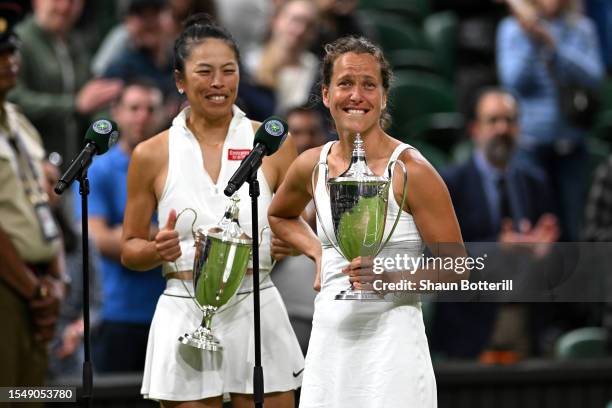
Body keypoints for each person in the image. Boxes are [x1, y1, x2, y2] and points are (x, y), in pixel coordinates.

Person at [268, 36, 465, 408]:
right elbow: (279, 215)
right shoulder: (312, 164)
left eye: (368, 85)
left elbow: (457, 267)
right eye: (345, 83)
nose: (356, 95)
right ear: (326, 94)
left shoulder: (412, 170)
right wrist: (316, 252)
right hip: (330, 345)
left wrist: (391, 279)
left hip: (393, 351)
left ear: (384, 97)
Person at [121, 14, 304, 407]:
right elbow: (129, 249)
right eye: (205, 72)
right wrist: (156, 250)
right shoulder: (150, 154)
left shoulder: (272, 142)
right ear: (180, 80)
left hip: (257, 305)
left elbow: (299, 223)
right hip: (183, 306)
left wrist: (289, 239)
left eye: (229, 71)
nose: (219, 83)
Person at [432, 88, 559, 359]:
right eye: (493, 120)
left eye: (510, 120)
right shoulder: (451, 184)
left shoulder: (534, 182)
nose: (503, 128)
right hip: (469, 327)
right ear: (475, 129)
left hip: (525, 324)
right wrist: (497, 248)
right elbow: (437, 257)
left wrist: (545, 250)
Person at [0, 2, 68, 391]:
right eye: (0, 55)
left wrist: (56, 280)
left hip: (38, 288)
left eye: (12, 52)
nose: (9, 61)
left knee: (32, 395)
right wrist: (34, 290)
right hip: (10, 288)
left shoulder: (20, 121)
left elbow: (45, 207)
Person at [77, 79, 166, 373]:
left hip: (168, 310)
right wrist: (158, 235)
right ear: (117, 112)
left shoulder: (173, 164)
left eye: (150, 108)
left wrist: (128, 236)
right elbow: (97, 239)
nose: (142, 116)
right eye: (134, 108)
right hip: (118, 312)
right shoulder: (100, 168)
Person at [496, 0, 604, 240]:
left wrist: (553, 46)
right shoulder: (511, 29)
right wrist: (533, 40)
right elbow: (512, 80)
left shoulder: (581, 27)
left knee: (574, 227)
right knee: (533, 227)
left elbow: (594, 76)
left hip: (571, 143)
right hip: (530, 144)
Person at [8, 0, 123, 168]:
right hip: (30, 164)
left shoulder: (77, 42)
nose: (64, 7)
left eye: (73, 2)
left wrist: (105, 129)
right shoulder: (17, 41)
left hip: (77, 167)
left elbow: (93, 100)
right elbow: (13, 99)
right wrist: (74, 105)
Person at [244, 0, 319, 116]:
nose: (301, 30)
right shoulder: (250, 64)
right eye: (296, 20)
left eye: (309, 25)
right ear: (276, 20)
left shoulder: (315, 70)